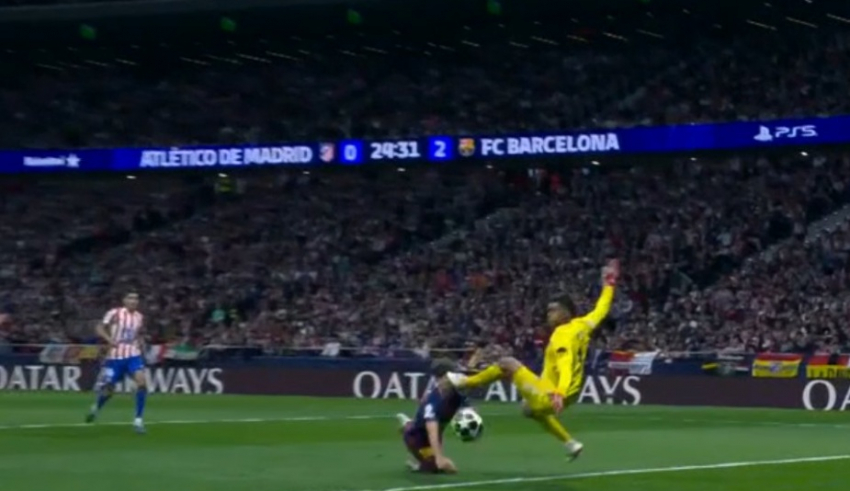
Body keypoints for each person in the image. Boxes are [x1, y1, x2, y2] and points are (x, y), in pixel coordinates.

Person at [447, 259, 619, 461]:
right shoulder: (583, 325)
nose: (548, 314)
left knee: (507, 364)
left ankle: (465, 382)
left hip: (554, 394)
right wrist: (609, 284)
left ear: (565, 312)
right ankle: (571, 443)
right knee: (528, 409)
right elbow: (602, 308)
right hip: (569, 395)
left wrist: (559, 392)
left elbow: (565, 363)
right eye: (548, 310)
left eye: (553, 310)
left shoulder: (562, 334)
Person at [85, 292, 149, 434]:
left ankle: (138, 420)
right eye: (130, 298)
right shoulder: (115, 313)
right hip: (115, 356)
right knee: (109, 389)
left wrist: (141, 345)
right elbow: (99, 328)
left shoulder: (139, 317)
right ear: (124, 300)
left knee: (142, 383)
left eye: (136, 298)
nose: (133, 301)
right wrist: (109, 340)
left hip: (133, 355)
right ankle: (96, 407)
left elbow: (138, 334)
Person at [396, 358, 470, 474]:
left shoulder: (457, 393)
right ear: (442, 377)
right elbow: (432, 430)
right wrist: (439, 458)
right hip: (417, 438)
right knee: (436, 467)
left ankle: (409, 424)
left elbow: (469, 407)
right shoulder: (433, 401)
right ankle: (415, 454)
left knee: (443, 467)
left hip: (434, 434)